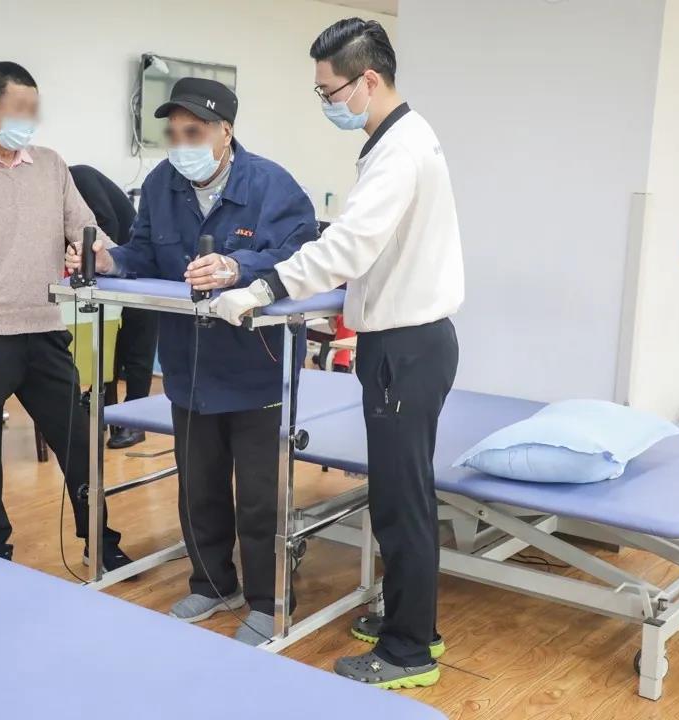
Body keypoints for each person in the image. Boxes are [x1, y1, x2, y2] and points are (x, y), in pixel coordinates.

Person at [213, 18, 464, 688]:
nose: (326, 102)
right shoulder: (401, 138)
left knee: (402, 501)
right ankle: (411, 622)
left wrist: (264, 286)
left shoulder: (399, 150)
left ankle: (409, 651)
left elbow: (349, 247)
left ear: (368, 80)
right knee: (401, 492)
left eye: (329, 91)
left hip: (406, 347)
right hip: (409, 342)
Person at [66, 78, 318, 644]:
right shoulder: (162, 184)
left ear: (225, 132)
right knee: (198, 485)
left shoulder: (271, 186)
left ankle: (268, 600)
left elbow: (303, 255)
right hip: (190, 365)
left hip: (257, 368)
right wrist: (109, 260)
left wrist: (237, 268)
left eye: (194, 132)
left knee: (259, 496)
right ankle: (211, 583)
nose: (181, 144)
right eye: (174, 133)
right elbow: (144, 251)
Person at [0, 62, 130, 569]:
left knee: (78, 443)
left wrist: (101, 255)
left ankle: (101, 543)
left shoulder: (52, 167)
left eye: (34, 110)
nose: (29, 120)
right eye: (19, 109)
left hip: (44, 330)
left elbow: (88, 231)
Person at [69, 164, 158, 449]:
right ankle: (105, 407)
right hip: (109, 274)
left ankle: (136, 421)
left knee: (137, 346)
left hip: (138, 267)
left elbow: (106, 223)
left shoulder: (78, 176)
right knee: (107, 343)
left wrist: (90, 259)